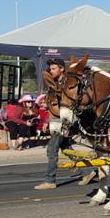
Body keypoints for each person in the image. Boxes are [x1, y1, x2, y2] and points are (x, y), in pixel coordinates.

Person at [36, 59, 67, 190]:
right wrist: (47, 121)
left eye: (54, 68)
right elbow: (52, 105)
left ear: (62, 69)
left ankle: (50, 180)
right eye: (50, 68)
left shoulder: (66, 84)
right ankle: (87, 173)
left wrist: (66, 125)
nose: (51, 71)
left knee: (52, 150)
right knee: (67, 148)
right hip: (55, 120)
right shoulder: (54, 84)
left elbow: (67, 106)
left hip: (63, 121)